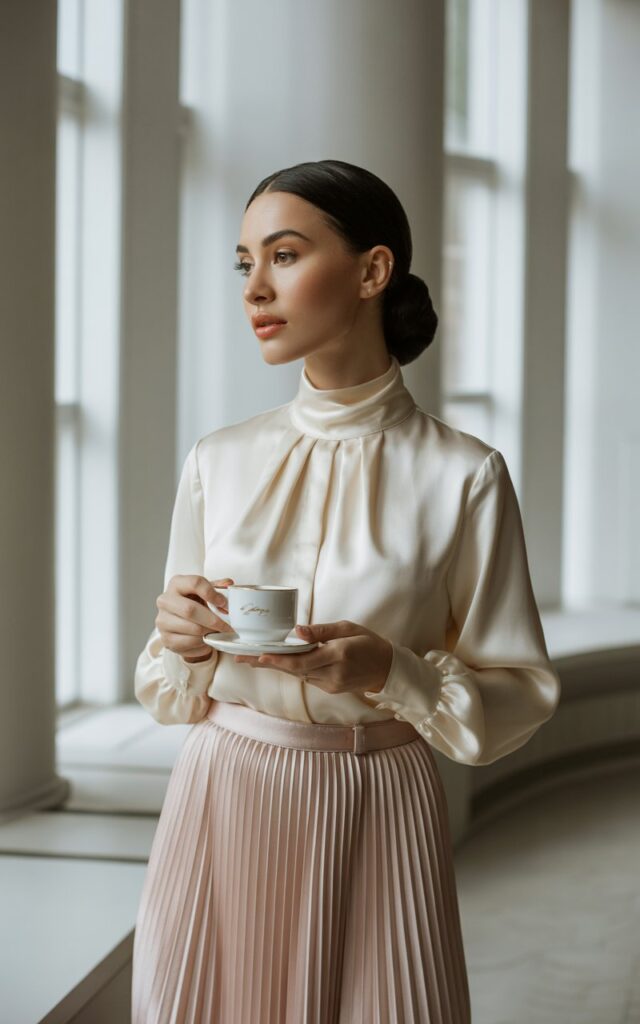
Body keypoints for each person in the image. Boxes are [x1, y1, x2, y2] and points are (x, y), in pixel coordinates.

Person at [131, 159, 561, 1024]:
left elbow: (521, 692)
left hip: (377, 799)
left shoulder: (465, 476)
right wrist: (176, 640)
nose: (256, 287)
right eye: (245, 262)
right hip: (223, 786)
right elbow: (166, 684)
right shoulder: (218, 459)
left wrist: (391, 670)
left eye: (284, 255)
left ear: (372, 271)